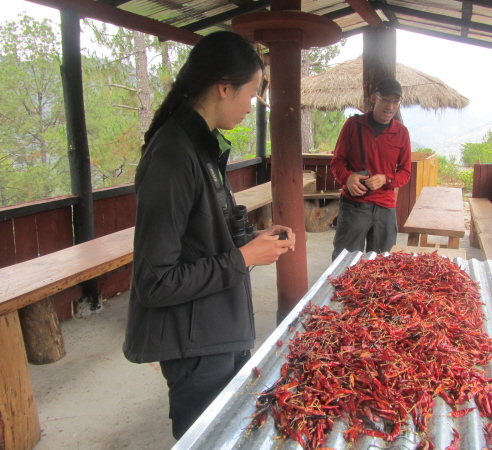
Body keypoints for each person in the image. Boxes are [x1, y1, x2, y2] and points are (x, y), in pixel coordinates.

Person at [122, 31, 296, 440]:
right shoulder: (172, 157)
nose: (250, 106)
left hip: (217, 330)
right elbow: (155, 281)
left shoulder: (200, 145)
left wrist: (253, 239)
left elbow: (204, 233)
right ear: (223, 88)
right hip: (194, 346)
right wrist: (245, 257)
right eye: (250, 95)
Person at [330, 78, 412, 261]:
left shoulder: (402, 132)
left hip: (385, 206)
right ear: (374, 98)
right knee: (346, 260)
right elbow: (337, 162)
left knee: (382, 263)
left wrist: (386, 179)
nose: (390, 106)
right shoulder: (353, 125)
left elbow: (405, 173)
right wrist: (348, 178)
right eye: (386, 99)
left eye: (395, 101)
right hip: (354, 205)